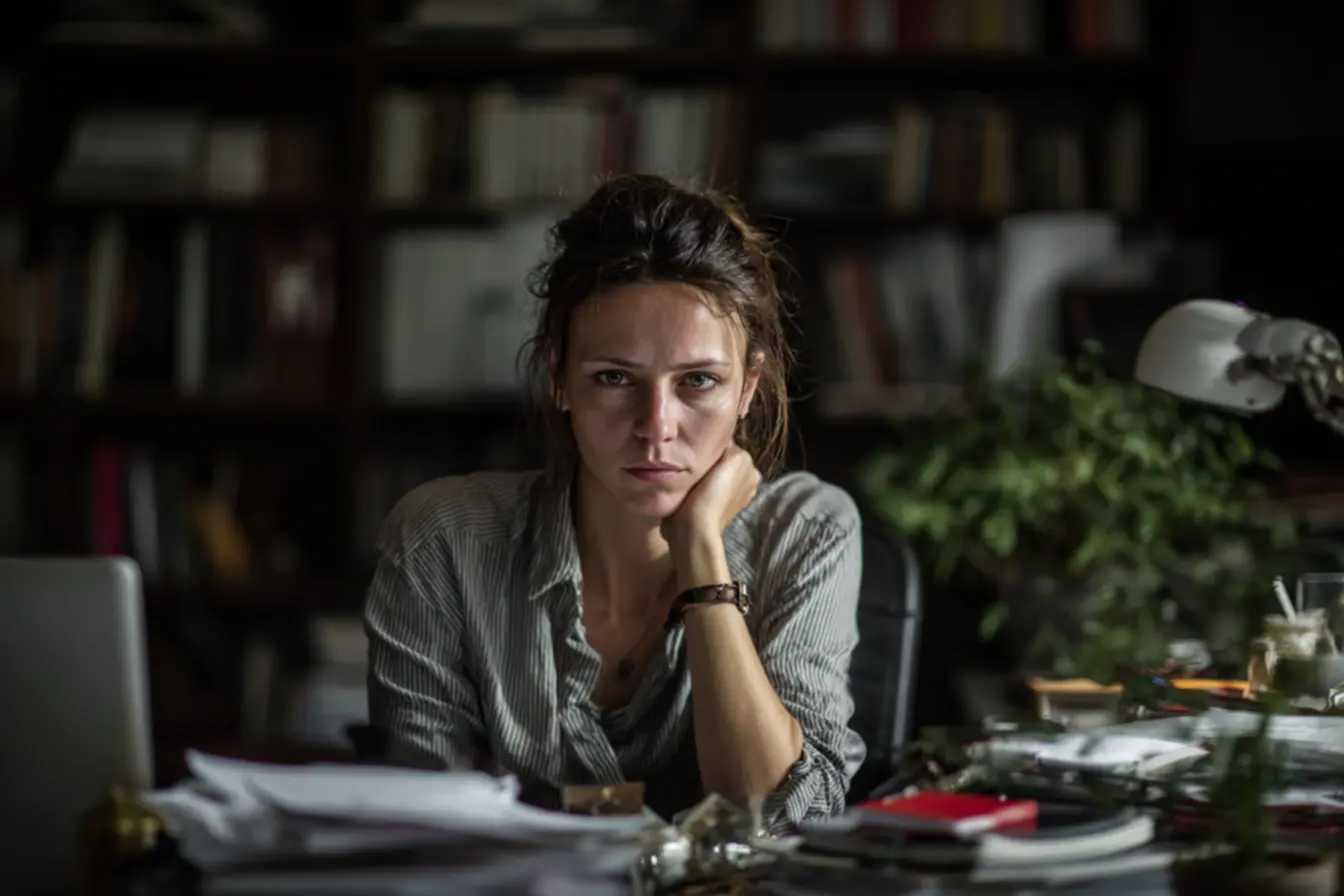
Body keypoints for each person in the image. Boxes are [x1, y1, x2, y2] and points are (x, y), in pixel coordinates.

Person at [363, 174, 865, 834]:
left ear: (749, 388)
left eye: (699, 382)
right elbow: (427, 829)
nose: (656, 424)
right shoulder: (443, 542)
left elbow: (782, 819)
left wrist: (701, 552)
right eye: (614, 378)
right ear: (557, 378)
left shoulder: (808, 530)